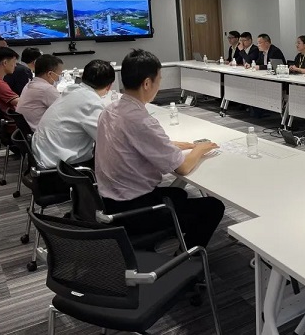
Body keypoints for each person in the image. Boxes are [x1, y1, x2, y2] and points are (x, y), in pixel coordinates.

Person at [95, 49, 225, 249]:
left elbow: (136, 144)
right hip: (133, 210)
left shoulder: (110, 110)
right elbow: (182, 168)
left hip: (110, 199)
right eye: (159, 80)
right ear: (147, 83)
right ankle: (187, 258)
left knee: (178, 194)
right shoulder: (141, 120)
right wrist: (199, 148)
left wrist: (181, 145)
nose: (159, 85)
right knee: (213, 207)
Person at [32, 59, 115, 168]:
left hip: (44, 155)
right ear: (109, 86)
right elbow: (108, 139)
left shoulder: (72, 90)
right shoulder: (89, 102)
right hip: (61, 167)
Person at [16, 55, 64, 130]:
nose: (60, 77)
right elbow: (64, 111)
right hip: (41, 131)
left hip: (28, 130)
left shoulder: (30, 84)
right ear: (50, 74)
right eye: (60, 74)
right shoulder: (46, 89)